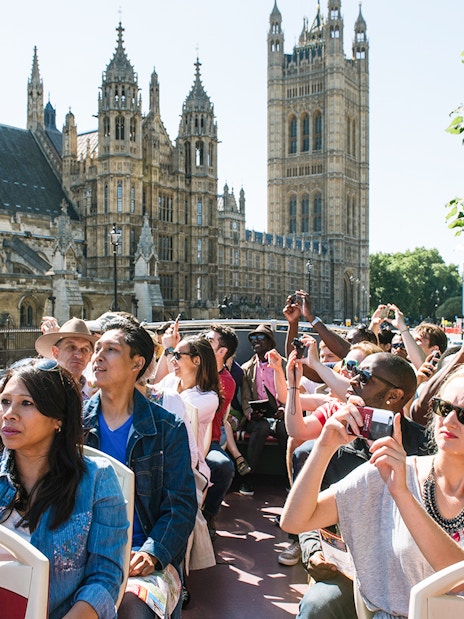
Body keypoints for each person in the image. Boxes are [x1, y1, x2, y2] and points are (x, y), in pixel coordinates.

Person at [281, 364, 464, 619]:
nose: (450, 420)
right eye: (444, 408)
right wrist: (324, 446)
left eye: (463, 415)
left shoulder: (397, 476)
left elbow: (458, 580)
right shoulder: (391, 471)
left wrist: (402, 495)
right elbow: (295, 520)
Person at [83, 318, 197, 619]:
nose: (98, 357)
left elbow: (181, 506)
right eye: (97, 349)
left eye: (111, 350)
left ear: (137, 363)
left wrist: (152, 551)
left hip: (141, 556)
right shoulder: (75, 426)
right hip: (83, 553)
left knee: (133, 611)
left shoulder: (166, 428)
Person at [0, 359, 128, 619]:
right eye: (4, 401)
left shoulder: (97, 481)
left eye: (27, 403)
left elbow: (105, 577)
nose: (9, 413)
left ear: (58, 418)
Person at [240, 324, 288, 496]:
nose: (255, 341)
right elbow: (246, 399)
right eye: (253, 338)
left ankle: (289, 477)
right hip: (259, 418)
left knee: (283, 428)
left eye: (260, 338)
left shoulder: (284, 364)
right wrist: (250, 413)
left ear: (270, 342)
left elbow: (293, 392)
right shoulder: (247, 368)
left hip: (281, 414)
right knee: (261, 427)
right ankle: (248, 477)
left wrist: (284, 409)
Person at [35, 317, 98, 401]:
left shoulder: (97, 397)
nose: (79, 355)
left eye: (84, 350)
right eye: (71, 347)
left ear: (90, 356)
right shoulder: (41, 391)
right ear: (55, 352)